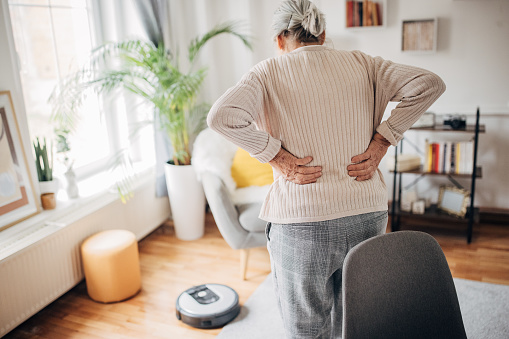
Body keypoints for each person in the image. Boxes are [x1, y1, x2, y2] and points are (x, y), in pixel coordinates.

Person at [207, 0, 446, 337]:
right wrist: (383, 141)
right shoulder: (363, 63)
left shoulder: (266, 72)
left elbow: (221, 117)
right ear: (322, 35)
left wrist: (279, 158)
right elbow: (430, 83)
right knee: (357, 320)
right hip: (367, 214)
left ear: (279, 39)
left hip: (302, 222)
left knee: (307, 329)